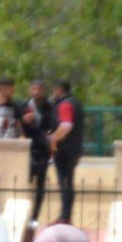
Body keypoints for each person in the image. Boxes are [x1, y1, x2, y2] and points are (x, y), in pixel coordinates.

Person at [20, 80, 58, 226]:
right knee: (24, 182)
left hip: (42, 150)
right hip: (27, 149)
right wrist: (24, 121)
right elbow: (17, 124)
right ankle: (24, 213)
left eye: (39, 89)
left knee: (40, 185)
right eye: (34, 89)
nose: (36, 92)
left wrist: (49, 137)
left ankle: (34, 216)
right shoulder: (24, 105)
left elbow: (53, 125)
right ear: (30, 90)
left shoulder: (50, 107)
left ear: (43, 91)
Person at [47, 79, 85, 225]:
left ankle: (65, 217)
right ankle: (65, 216)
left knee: (65, 183)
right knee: (68, 182)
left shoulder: (65, 104)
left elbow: (66, 126)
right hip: (75, 149)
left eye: (54, 89)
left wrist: (53, 140)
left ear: (59, 89)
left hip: (64, 150)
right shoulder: (76, 103)